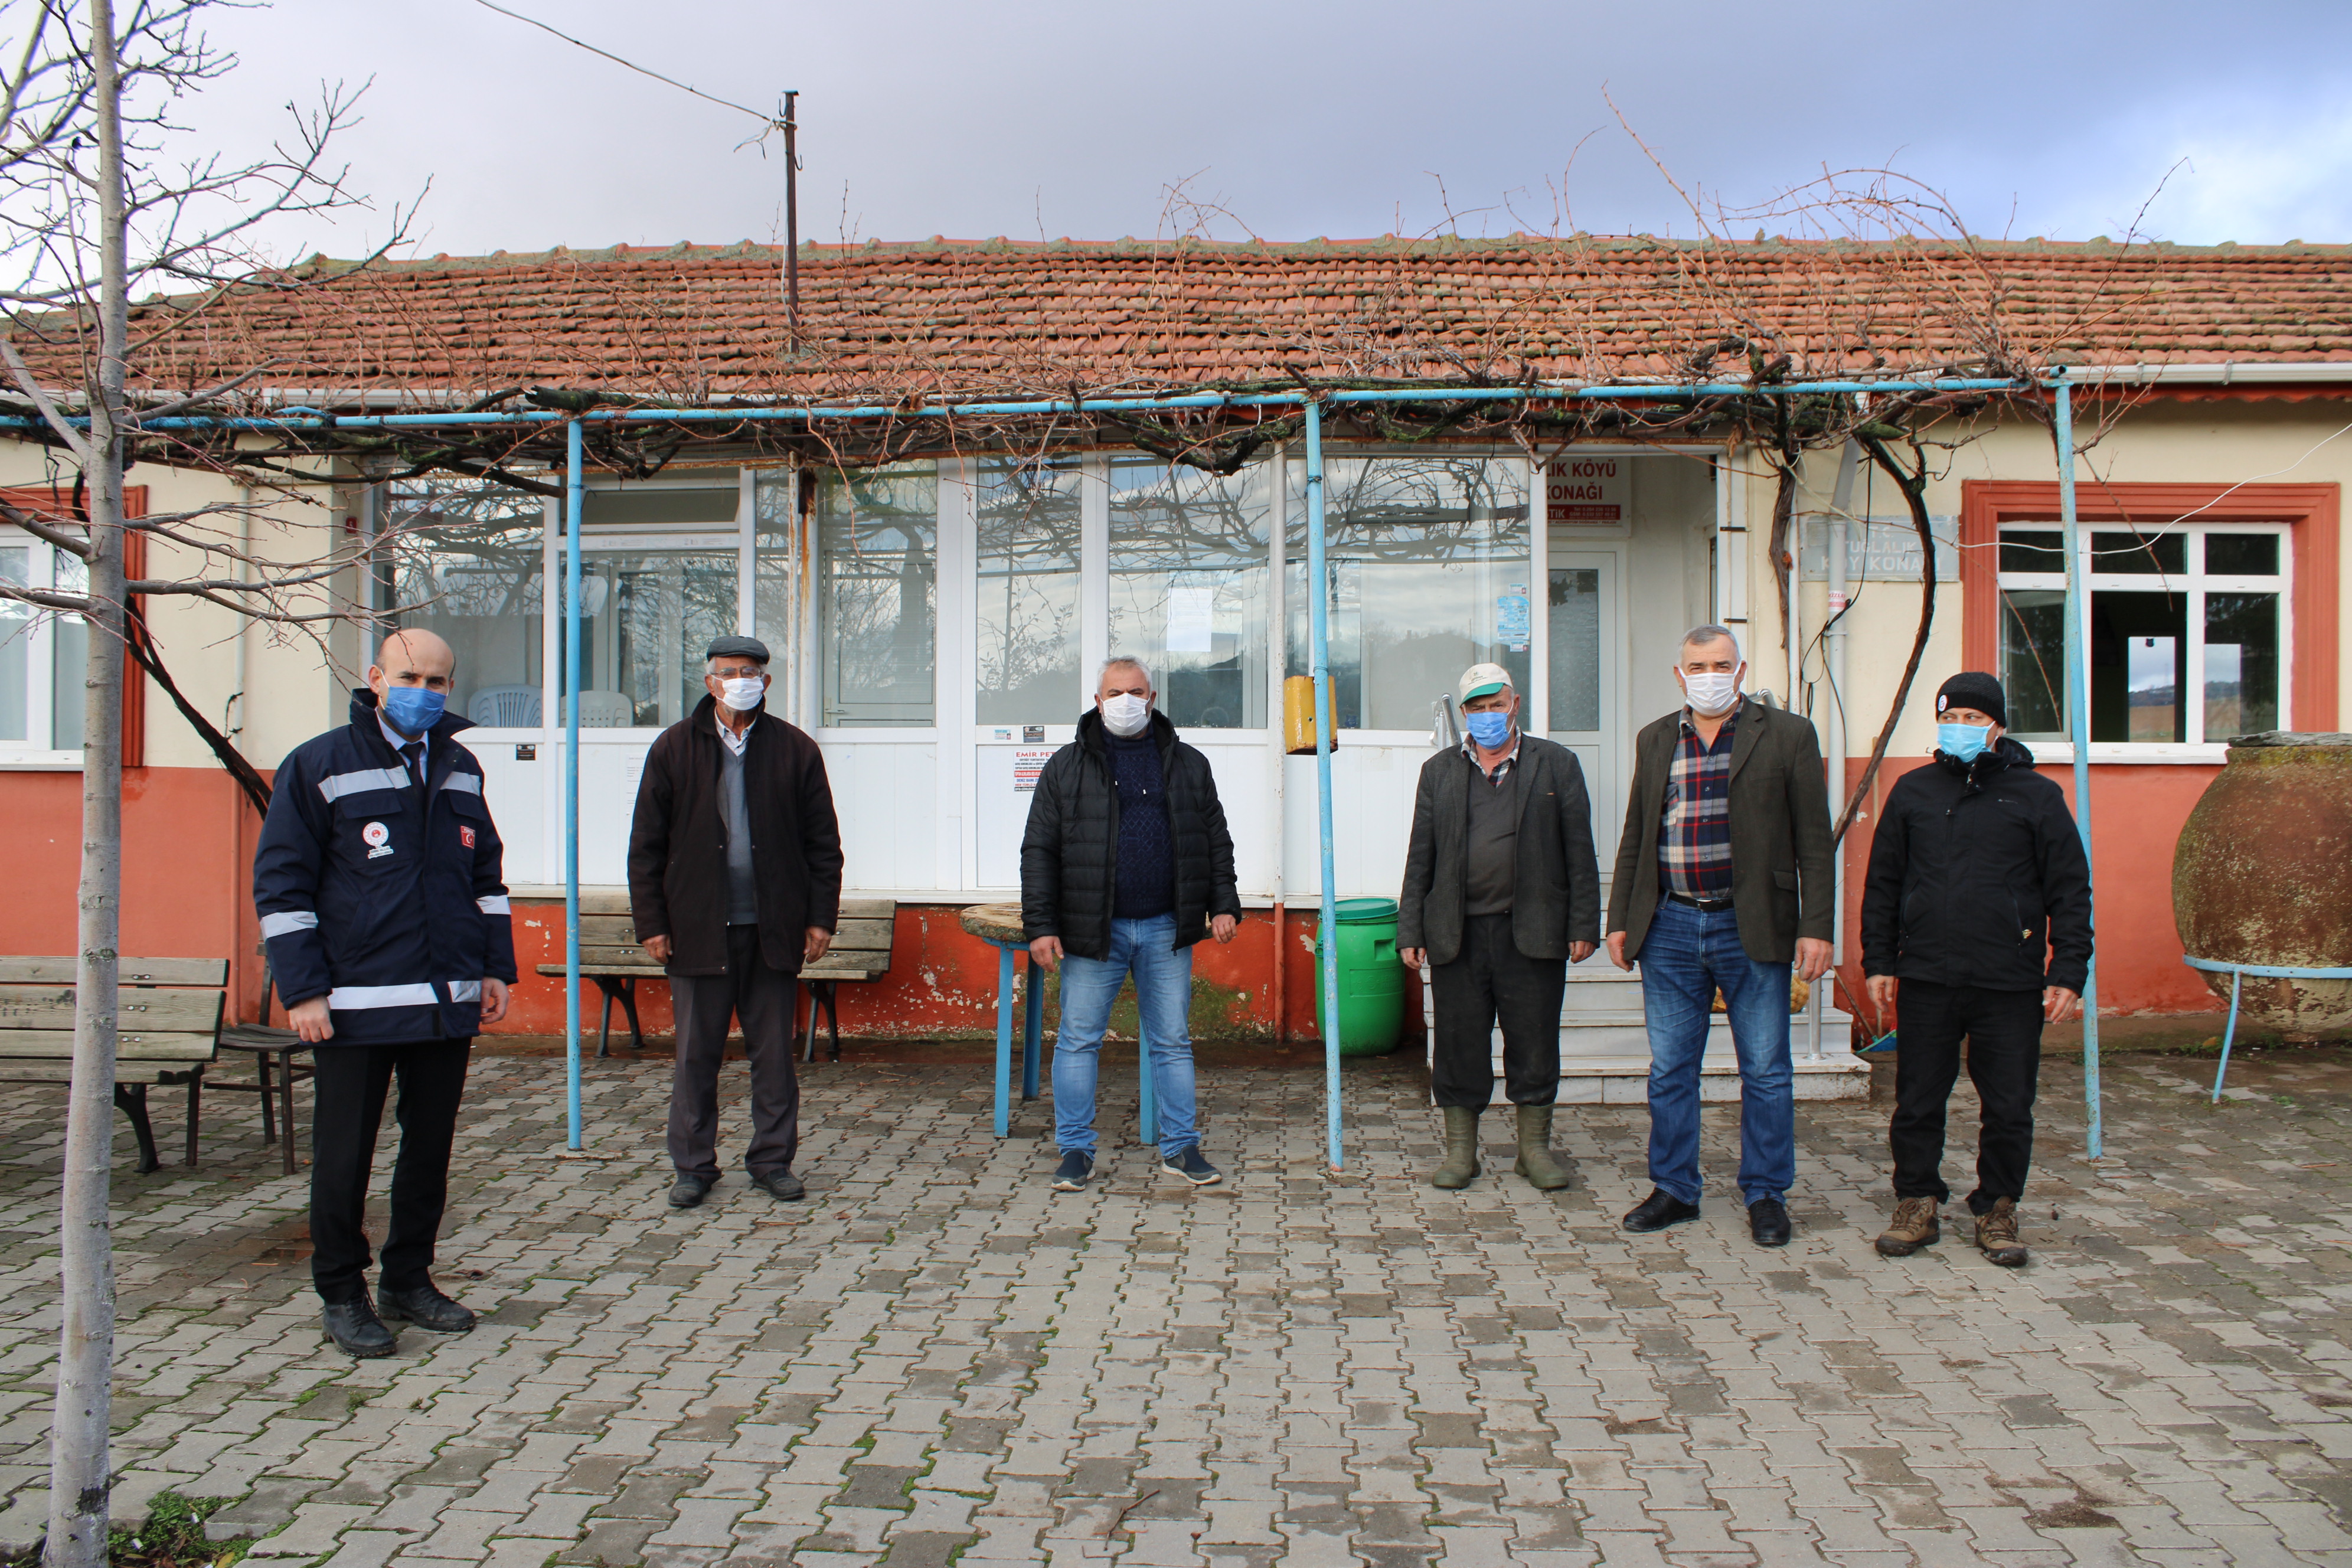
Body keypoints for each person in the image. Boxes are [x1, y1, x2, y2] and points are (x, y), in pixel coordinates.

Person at [253, 629, 517, 1358]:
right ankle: (342, 1292)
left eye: (439, 681)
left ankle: (409, 1279)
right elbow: (282, 889)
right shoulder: (319, 765)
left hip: (445, 1003)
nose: (426, 691)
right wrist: (303, 989)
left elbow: (485, 882)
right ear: (375, 678)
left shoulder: (461, 768)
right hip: (352, 1006)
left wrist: (494, 969)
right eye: (411, 676)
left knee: (427, 1153)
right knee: (345, 1159)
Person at [1606, 625, 1834, 1248]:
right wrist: (1621, 917)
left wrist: (1818, 927)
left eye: (1721, 663)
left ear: (1740, 669)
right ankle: (1674, 1188)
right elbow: (1637, 834)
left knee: (1765, 1069)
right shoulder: (1657, 738)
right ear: (1679, 674)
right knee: (1671, 1069)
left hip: (1752, 923)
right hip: (1671, 925)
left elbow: (1815, 840)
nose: (1710, 674)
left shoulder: (1787, 735)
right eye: (1697, 665)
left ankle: (1766, 1192)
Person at [1861, 672, 2092, 1267]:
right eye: (1950, 716)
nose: (1959, 727)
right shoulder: (1912, 791)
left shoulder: (2037, 796)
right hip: (1929, 978)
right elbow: (1884, 882)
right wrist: (1879, 959)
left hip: (2008, 981)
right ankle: (1916, 1201)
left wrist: (2068, 970)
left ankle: (1998, 1207)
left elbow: (2070, 890)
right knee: (1916, 1100)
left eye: (1971, 717)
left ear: (1998, 727)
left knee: (2010, 1105)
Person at [628, 635, 844, 1210]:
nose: (740, 680)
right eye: (729, 672)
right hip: (696, 927)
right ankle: (694, 1167)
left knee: (774, 1053)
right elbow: (645, 845)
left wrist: (821, 917)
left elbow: (824, 844)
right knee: (696, 1054)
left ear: (766, 682)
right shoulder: (674, 748)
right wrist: (651, 922)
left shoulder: (794, 749)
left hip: (772, 928)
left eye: (751, 671)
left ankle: (772, 1161)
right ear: (710, 682)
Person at [1021, 657, 1242, 1191]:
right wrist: (1041, 925)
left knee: (1172, 1042)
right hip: (1095, 931)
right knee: (1078, 1041)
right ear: (1097, 700)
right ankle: (1075, 1151)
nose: (1125, 701)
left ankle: (1181, 1147)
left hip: (1167, 927)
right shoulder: (1066, 766)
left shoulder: (1188, 763)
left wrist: (1225, 903)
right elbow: (1039, 850)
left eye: (1136, 691)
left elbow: (1214, 838)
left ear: (1154, 696)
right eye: (1114, 692)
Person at [1399, 664, 1601, 1191]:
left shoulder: (1556, 765)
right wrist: (1410, 930)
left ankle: (1533, 1150)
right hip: (1457, 935)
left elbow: (1580, 850)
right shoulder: (1440, 771)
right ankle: (1462, 1153)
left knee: (1534, 1042)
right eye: (1477, 707)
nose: (1488, 715)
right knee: (1460, 1045)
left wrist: (1585, 922)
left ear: (1516, 704)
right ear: (1464, 714)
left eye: (1497, 704)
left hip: (1533, 933)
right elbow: (1421, 857)